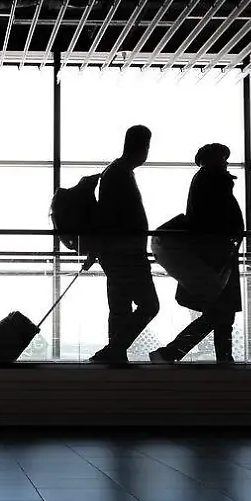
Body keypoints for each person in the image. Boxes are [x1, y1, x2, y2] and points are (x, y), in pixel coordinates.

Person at [151, 143, 244, 363]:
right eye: (223, 158)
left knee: (221, 313)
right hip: (216, 255)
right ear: (213, 159)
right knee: (221, 312)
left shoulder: (205, 179)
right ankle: (173, 353)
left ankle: (177, 353)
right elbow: (218, 219)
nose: (226, 162)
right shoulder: (213, 179)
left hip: (214, 254)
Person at [88, 125, 159, 364]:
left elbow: (105, 216)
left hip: (115, 252)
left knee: (120, 308)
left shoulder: (116, 171)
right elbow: (111, 216)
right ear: (143, 147)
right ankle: (113, 350)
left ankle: (115, 354)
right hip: (126, 253)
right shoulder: (119, 174)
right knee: (149, 305)